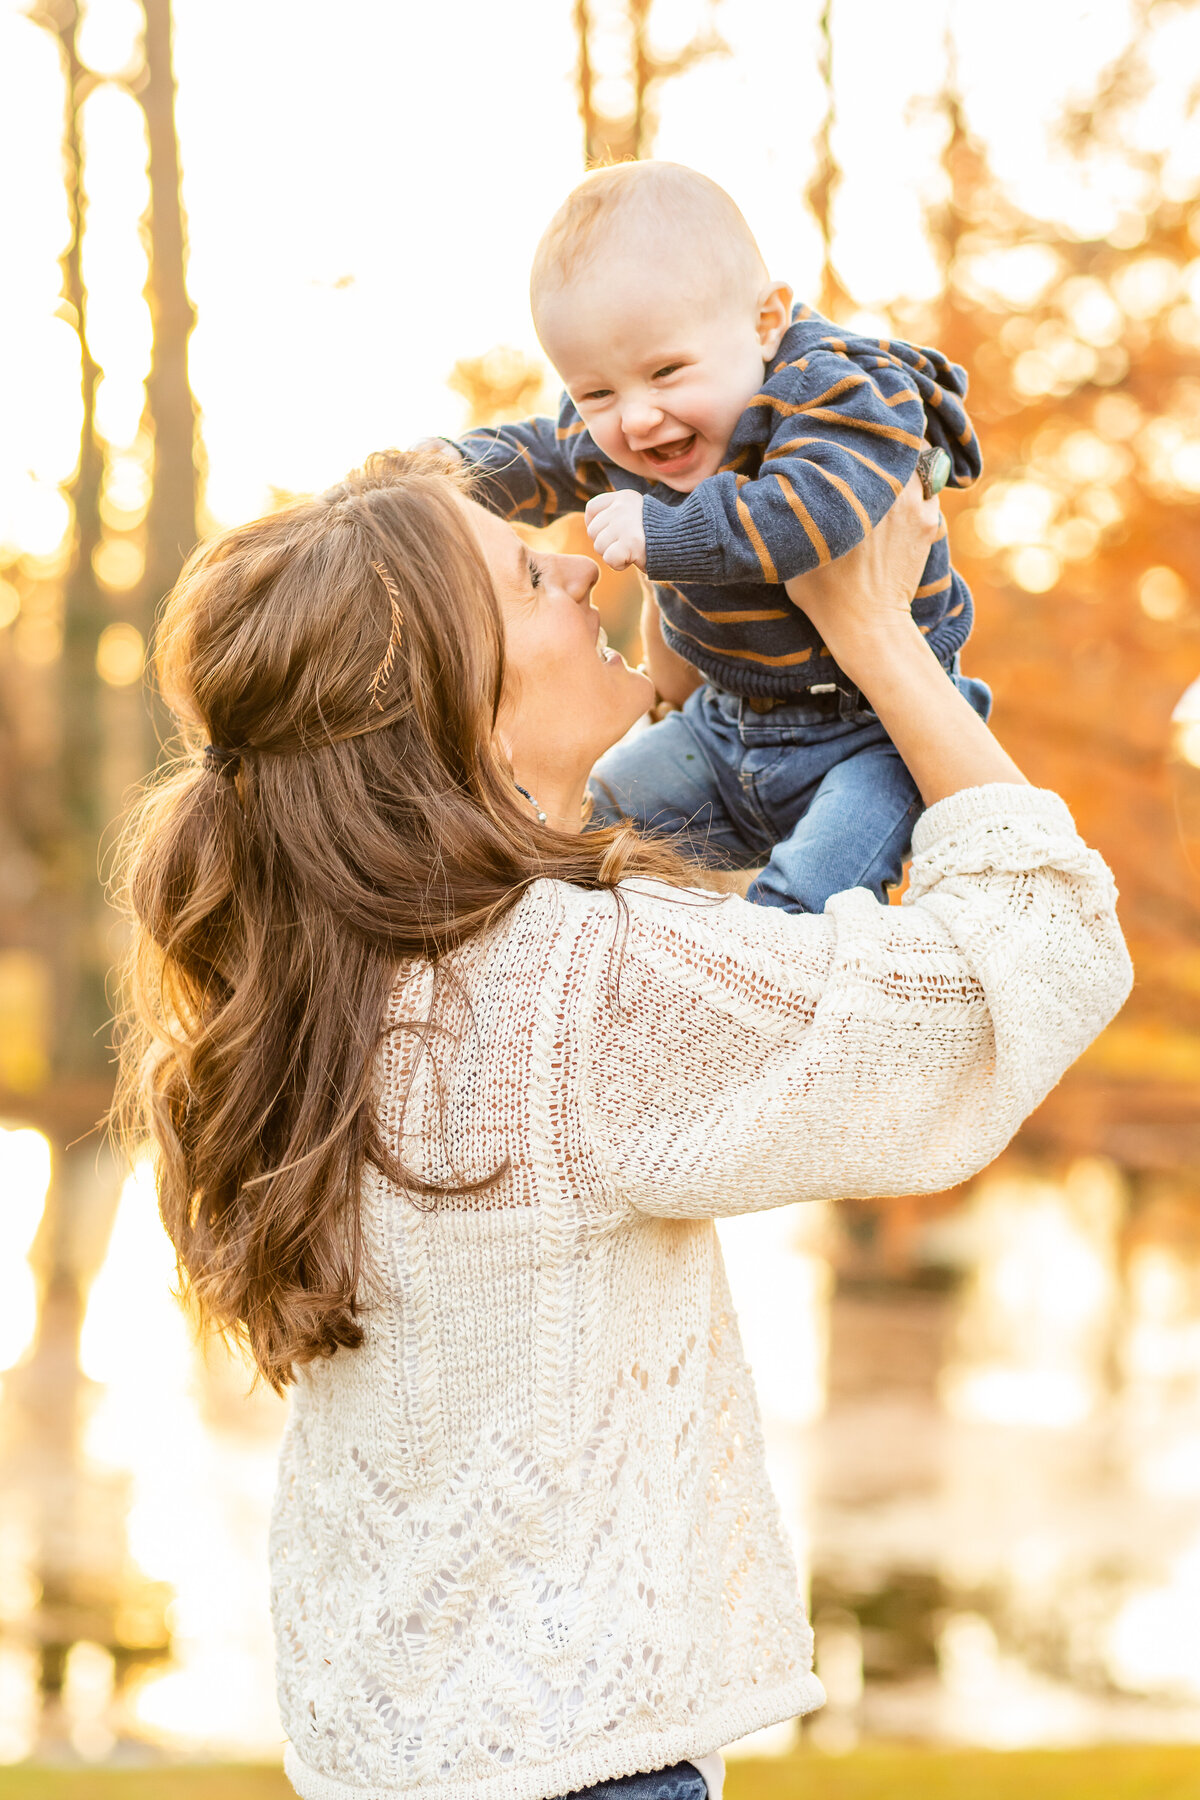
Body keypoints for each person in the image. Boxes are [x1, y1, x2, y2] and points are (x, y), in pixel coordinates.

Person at [114, 450, 1130, 1800]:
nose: (585, 565)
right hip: (576, 1773)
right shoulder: (580, 992)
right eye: (528, 577)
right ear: (462, 716)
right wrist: (881, 639)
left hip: (379, 1756)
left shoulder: (314, 981)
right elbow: (1042, 954)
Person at [435, 160, 989, 915]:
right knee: (575, 836)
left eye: (666, 372)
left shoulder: (843, 394)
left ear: (765, 325)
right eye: (596, 391)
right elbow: (545, 453)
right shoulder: (631, 430)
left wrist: (663, 535)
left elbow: (810, 514)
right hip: (725, 727)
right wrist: (451, 468)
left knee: (800, 904)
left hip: (872, 736)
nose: (633, 418)